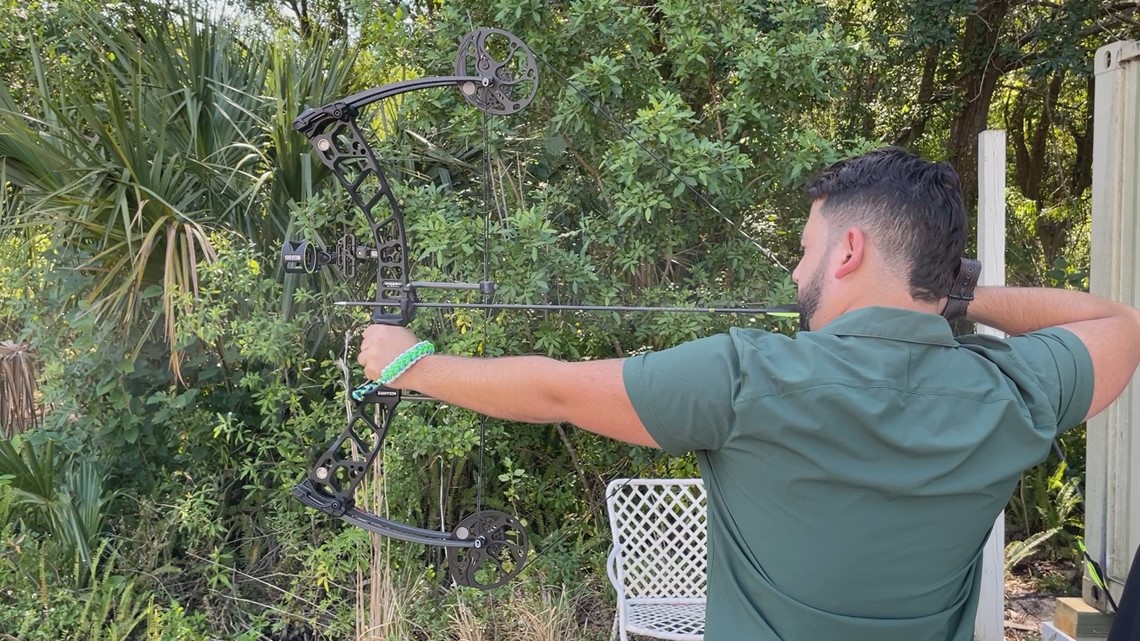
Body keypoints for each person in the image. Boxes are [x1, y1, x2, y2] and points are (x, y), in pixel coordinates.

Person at [357, 146, 1140, 641]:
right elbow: (1119, 323)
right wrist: (960, 296)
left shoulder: (747, 379)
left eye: (806, 250)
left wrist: (408, 360)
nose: (796, 272)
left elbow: (557, 391)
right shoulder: (1011, 391)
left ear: (849, 250)